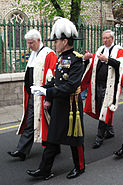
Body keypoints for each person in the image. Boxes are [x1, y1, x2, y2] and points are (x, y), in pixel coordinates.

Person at [26, 17, 86, 180]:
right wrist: (43, 88)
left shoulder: (76, 59)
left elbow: (70, 86)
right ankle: (45, 170)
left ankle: (80, 167)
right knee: (52, 138)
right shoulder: (60, 58)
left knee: (74, 138)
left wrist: (47, 93)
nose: (54, 43)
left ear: (65, 41)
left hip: (72, 106)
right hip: (59, 104)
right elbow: (57, 81)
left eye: (56, 40)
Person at [8, 29, 57, 160]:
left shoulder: (49, 54)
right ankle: (22, 150)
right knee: (31, 121)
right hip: (32, 96)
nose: (29, 46)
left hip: (43, 96)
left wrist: (48, 98)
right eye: (28, 43)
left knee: (49, 121)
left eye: (31, 43)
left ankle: (53, 147)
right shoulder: (33, 54)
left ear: (39, 40)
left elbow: (52, 79)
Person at [81, 30, 123, 149]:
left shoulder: (118, 49)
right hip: (97, 84)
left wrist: (107, 60)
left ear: (112, 38)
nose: (105, 40)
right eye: (104, 38)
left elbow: (121, 65)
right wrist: (87, 58)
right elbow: (93, 62)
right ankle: (110, 131)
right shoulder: (100, 49)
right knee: (101, 106)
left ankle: (99, 137)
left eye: (107, 38)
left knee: (104, 109)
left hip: (109, 86)